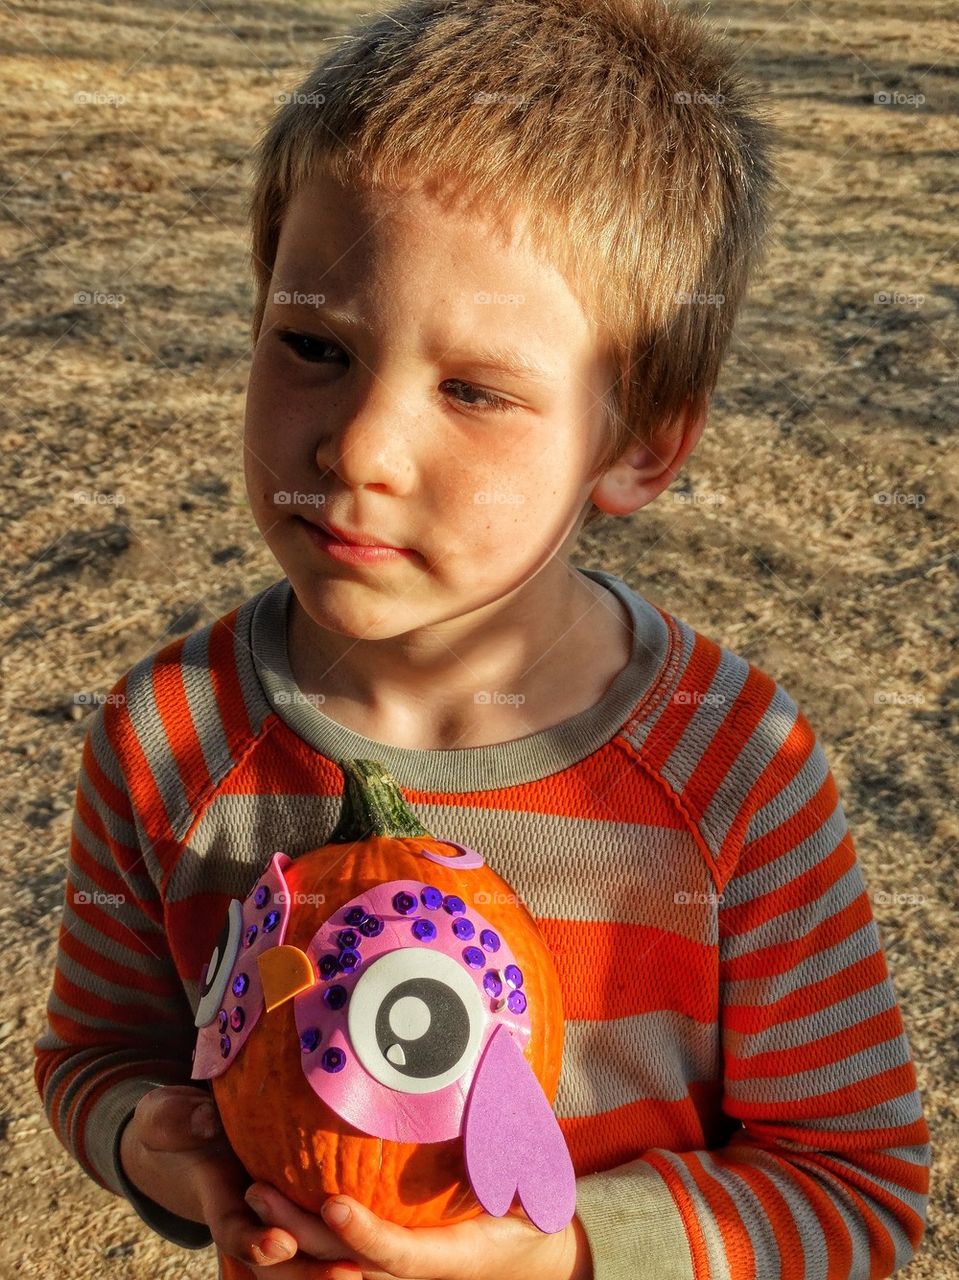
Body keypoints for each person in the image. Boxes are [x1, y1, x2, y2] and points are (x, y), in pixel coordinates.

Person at [34, 0, 931, 1277]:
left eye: (472, 390)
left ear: (641, 442)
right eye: (312, 346)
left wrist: (560, 1253)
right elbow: (95, 1052)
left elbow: (852, 1189)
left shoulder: (733, 770)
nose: (361, 449)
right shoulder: (169, 733)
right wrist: (149, 1135)